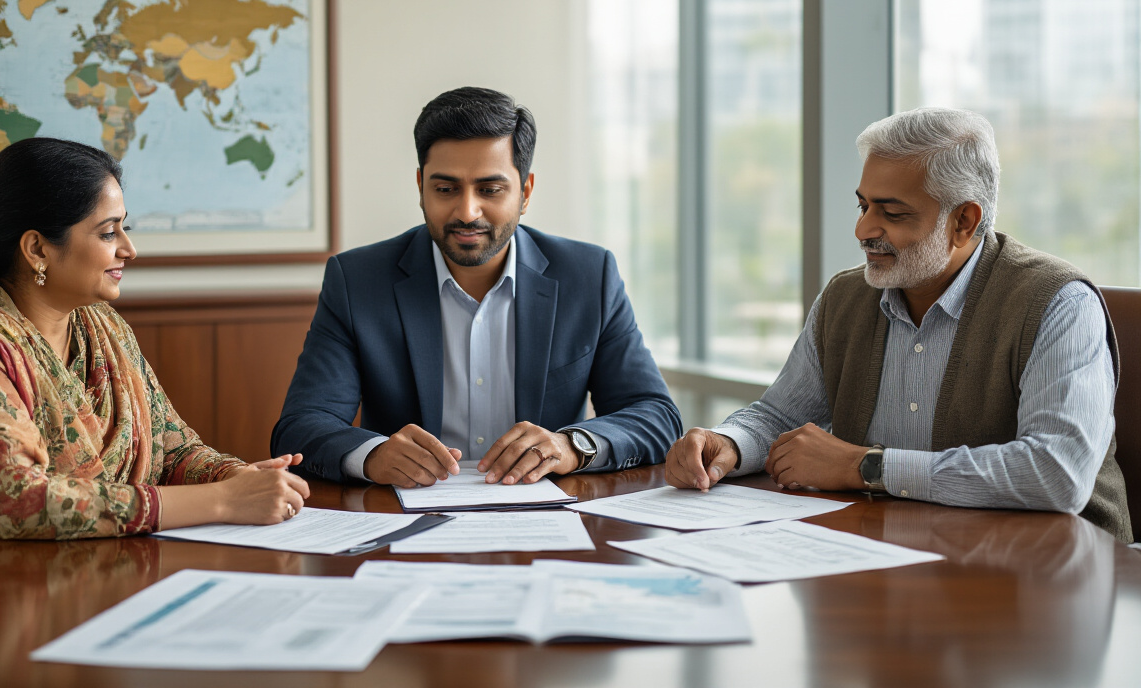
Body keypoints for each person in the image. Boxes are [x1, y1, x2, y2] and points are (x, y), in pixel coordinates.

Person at [665, 108, 1131, 542]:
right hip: (898, 553)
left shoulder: (1057, 303)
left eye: (892, 213)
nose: (863, 230)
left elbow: (1057, 473)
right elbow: (783, 415)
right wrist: (727, 441)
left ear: (964, 222)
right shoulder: (845, 297)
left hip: (1046, 573)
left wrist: (866, 467)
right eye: (862, 206)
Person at [0, 138, 310, 587]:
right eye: (108, 232)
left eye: (124, 228)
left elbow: (172, 448)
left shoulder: (101, 328)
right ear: (37, 249)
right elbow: (12, 501)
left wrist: (239, 477)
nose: (130, 249)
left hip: (93, 566)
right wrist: (222, 501)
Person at [272, 87, 681, 488]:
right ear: (421, 188)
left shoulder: (589, 275)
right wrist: (372, 454)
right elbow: (302, 425)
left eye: (490, 189)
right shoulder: (357, 280)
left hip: (550, 523)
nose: (467, 212)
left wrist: (571, 446)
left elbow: (655, 414)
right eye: (446, 189)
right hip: (407, 524)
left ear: (525, 192)